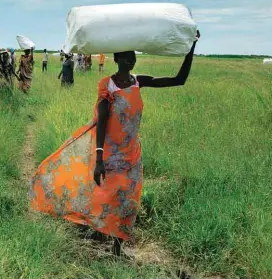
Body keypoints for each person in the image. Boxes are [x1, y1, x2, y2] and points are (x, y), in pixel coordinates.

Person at [30, 31, 201, 257]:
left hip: (131, 153)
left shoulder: (139, 81)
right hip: (110, 154)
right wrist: (99, 158)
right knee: (105, 196)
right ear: (117, 59)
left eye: (133, 56)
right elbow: (101, 122)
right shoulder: (107, 85)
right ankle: (95, 231)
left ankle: (117, 248)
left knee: (128, 199)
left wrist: (191, 48)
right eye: (125, 56)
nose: (130, 60)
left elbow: (178, 80)